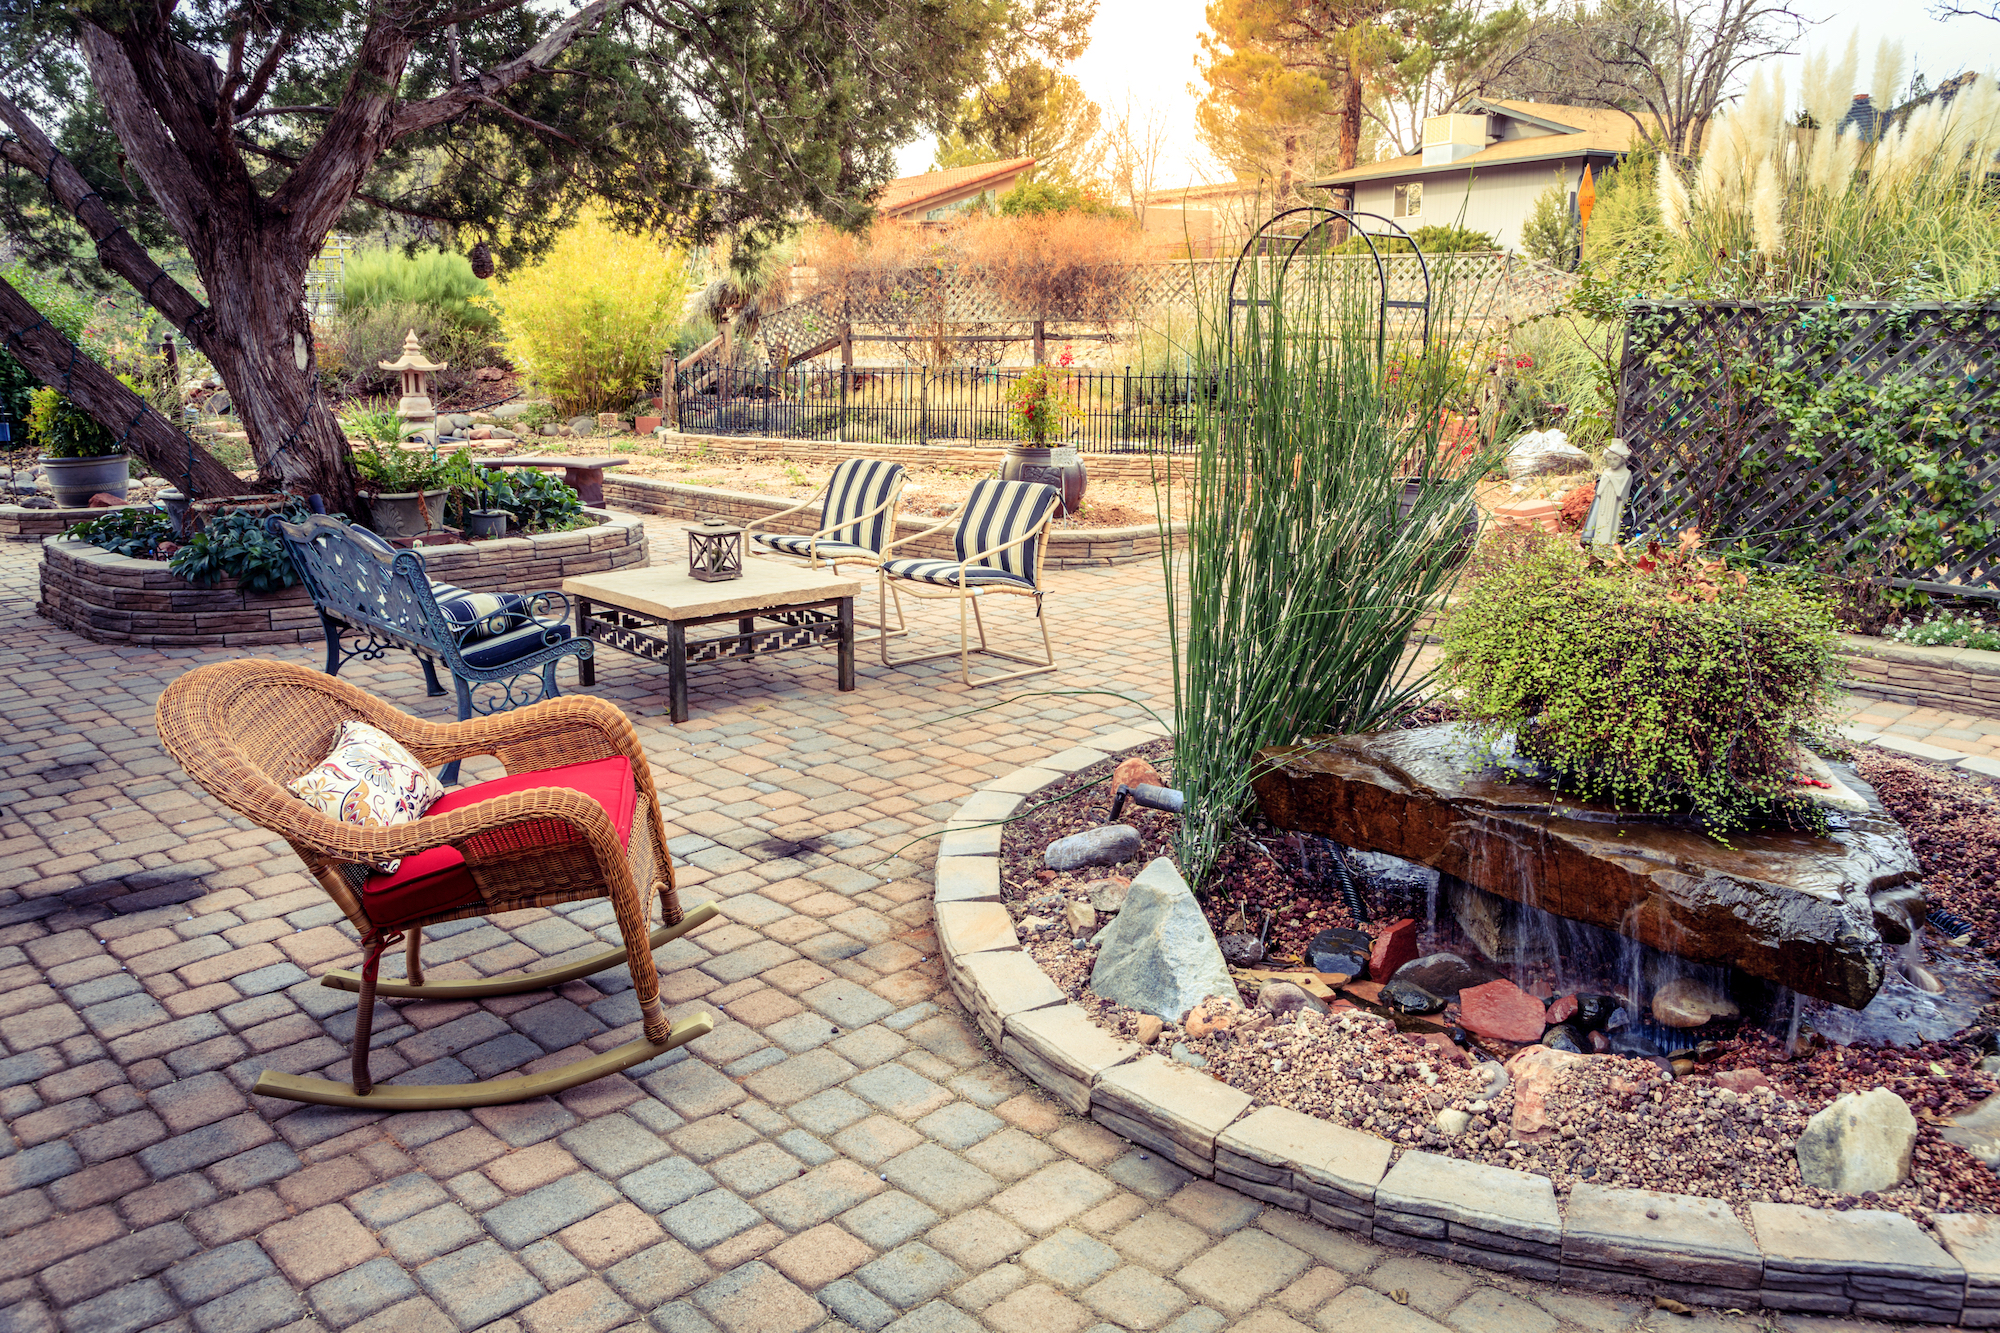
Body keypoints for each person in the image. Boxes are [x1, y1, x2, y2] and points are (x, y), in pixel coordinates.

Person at [1581, 438, 1633, 547]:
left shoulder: (1626, 473)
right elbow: (1599, 492)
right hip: (1604, 503)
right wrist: (1606, 478)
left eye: (1615, 459)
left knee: (1612, 526)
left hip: (1615, 505)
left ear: (1623, 459)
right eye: (1609, 459)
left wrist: (1611, 479)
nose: (1612, 463)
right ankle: (1598, 547)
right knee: (1601, 523)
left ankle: (1608, 548)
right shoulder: (1606, 472)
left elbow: (1621, 493)